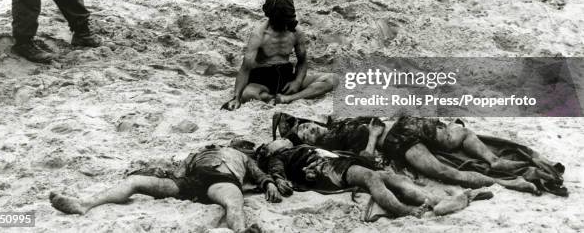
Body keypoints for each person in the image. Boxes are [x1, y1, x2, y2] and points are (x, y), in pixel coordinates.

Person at [273, 113, 560, 195]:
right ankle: (509, 182)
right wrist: (373, 137)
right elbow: (368, 160)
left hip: (402, 124)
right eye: (305, 134)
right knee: (446, 172)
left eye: (309, 126)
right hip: (396, 142)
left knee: (453, 137)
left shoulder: (338, 123)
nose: (310, 131)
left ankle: (493, 160)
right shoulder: (334, 147)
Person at [257, 120, 492, 218]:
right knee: (371, 178)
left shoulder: (299, 147)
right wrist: (276, 182)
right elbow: (276, 174)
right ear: (269, 151)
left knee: (388, 177)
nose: (280, 141)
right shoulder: (278, 157)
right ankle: (406, 211)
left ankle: (433, 200)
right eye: (273, 143)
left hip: (335, 163)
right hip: (327, 168)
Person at [50, 141, 281, 233]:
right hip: (189, 183)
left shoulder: (240, 155)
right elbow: (177, 173)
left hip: (221, 180)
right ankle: (84, 204)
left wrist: (269, 183)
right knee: (135, 181)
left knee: (234, 203)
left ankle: (241, 232)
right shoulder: (198, 152)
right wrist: (161, 176)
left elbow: (259, 173)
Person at [223, 0, 337, 110]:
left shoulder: (296, 31)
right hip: (263, 80)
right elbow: (245, 68)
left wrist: (297, 82)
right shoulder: (259, 34)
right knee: (247, 94)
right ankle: (270, 98)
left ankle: (287, 99)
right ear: (270, 15)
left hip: (286, 78)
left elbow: (302, 62)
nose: (282, 23)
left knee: (333, 79)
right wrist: (236, 97)